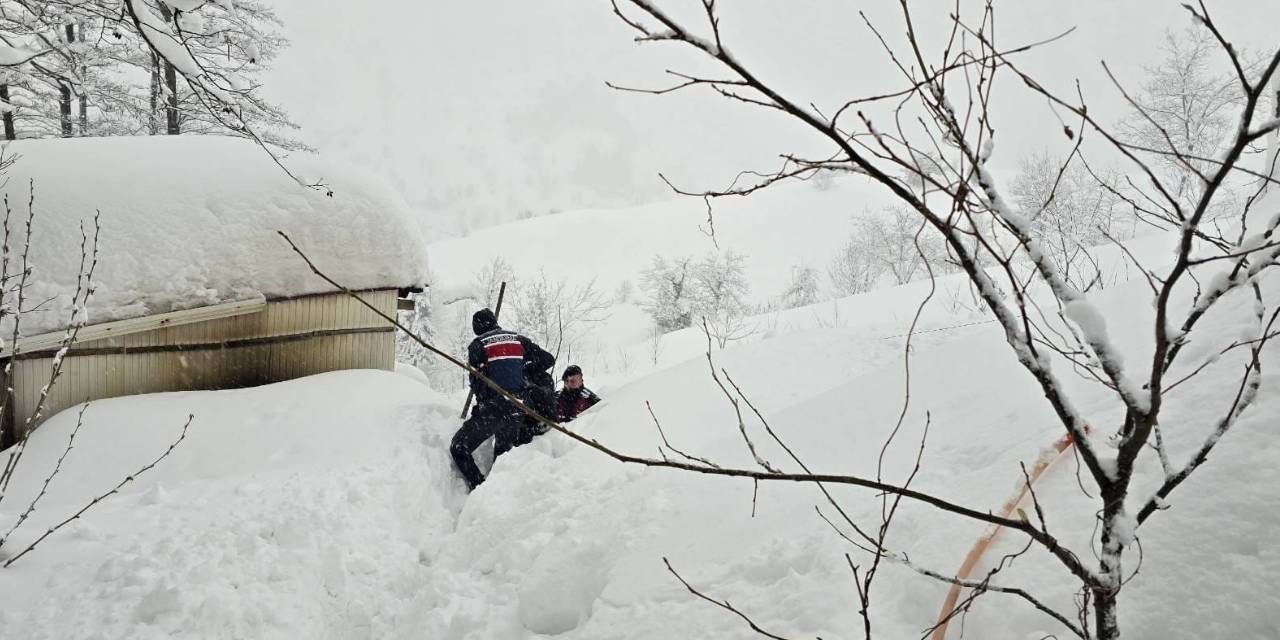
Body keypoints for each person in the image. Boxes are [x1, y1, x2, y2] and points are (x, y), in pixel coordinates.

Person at [450, 308, 552, 490]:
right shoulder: (517, 339)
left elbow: (478, 385)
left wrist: (482, 407)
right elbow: (547, 360)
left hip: (495, 409)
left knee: (459, 447)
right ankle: (498, 497)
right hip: (519, 407)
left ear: (476, 328)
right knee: (502, 460)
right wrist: (522, 374)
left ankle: (479, 487)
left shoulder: (477, 345)